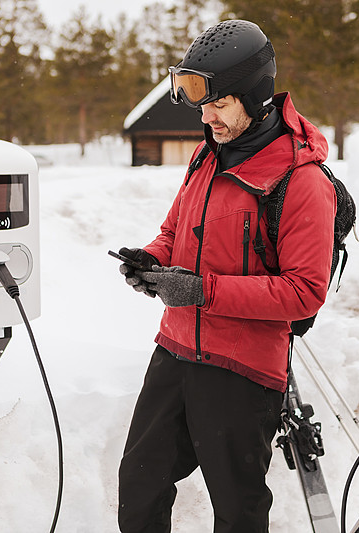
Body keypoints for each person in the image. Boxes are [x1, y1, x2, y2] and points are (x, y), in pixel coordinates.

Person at [116, 19, 336, 533]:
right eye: (200, 103)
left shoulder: (301, 181)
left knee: (236, 508)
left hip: (242, 368)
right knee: (140, 482)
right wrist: (150, 259)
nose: (205, 115)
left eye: (218, 103)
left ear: (255, 97)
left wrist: (199, 290)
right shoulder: (207, 153)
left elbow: (305, 293)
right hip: (175, 349)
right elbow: (175, 232)